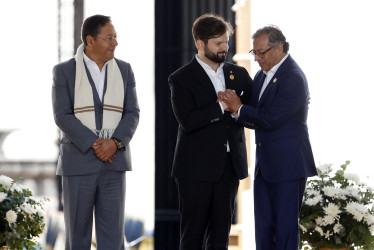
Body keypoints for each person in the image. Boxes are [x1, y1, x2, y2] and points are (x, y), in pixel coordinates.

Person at [221, 26, 317, 249]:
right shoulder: (262, 75)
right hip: (265, 167)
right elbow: (252, 114)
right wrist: (234, 106)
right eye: (254, 53)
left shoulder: (293, 77)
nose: (257, 58)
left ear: (279, 47)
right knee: (263, 229)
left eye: (261, 52)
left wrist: (239, 108)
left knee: (284, 230)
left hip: (288, 167)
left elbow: (270, 119)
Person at [52, 14, 139, 250]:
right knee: (77, 238)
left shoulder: (125, 70)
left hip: (115, 163)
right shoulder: (64, 71)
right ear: (90, 40)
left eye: (115, 37)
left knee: (112, 240)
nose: (115, 43)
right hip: (78, 164)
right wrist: (97, 143)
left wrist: (115, 143)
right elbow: (62, 115)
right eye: (109, 38)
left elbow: (132, 113)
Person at [168, 13, 253, 250]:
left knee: (220, 237)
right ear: (200, 44)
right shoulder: (181, 78)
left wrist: (238, 109)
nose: (224, 47)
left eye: (226, 41)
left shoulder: (240, 75)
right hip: (194, 170)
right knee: (192, 235)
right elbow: (188, 121)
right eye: (218, 43)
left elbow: (254, 115)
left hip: (229, 168)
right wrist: (220, 106)